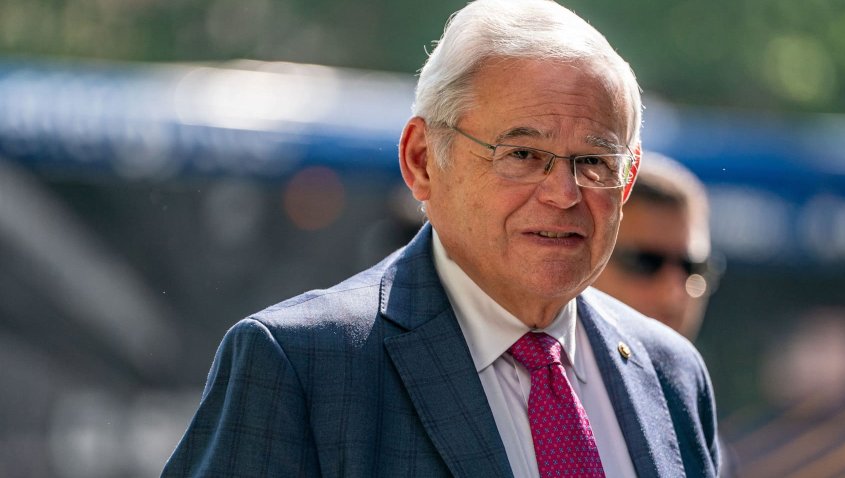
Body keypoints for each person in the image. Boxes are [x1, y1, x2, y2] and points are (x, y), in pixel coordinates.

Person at [162, 1, 721, 476]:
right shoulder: (303, 366)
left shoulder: (670, 372)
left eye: (594, 161)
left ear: (627, 179)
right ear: (422, 160)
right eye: (523, 154)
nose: (563, 193)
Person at [593, 152, 716, 340]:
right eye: (645, 262)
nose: (673, 295)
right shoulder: (547, 366)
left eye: (692, 267)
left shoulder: (690, 368)